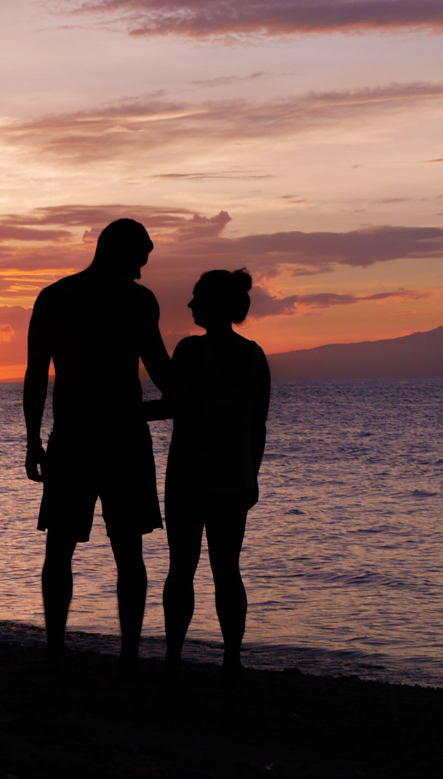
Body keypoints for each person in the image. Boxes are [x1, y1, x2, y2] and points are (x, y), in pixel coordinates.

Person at [23, 218, 171, 673]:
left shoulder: (55, 297)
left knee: (62, 547)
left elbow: (36, 377)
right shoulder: (137, 301)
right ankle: (127, 654)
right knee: (127, 551)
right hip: (121, 440)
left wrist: (33, 439)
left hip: (73, 435)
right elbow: (164, 376)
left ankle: (55, 650)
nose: (143, 271)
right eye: (139, 261)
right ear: (120, 252)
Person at [161, 268, 270, 686]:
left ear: (214, 304)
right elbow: (257, 426)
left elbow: (175, 405)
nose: (189, 305)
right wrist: (252, 475)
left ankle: (173, 656)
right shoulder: (254, 355)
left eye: (196, 298)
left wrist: (121, 413)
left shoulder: (189, 351)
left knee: (182, 568)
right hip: (232, 475)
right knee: (227, 570)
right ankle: (232, 659)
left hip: (189, 473)